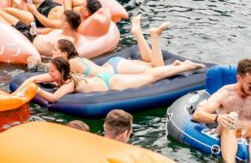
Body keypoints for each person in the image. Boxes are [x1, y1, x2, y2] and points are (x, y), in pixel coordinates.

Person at [25, 56, 204, 102]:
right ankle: (176, 66)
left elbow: (54, 98)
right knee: (147, 75)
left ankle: (185, 66)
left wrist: (35, 90)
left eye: (52, 72)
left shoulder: (70, 82)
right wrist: (33, 81)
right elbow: (42, 79)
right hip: (105, 77)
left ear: (62, 72)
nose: (50, 75)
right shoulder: (65, 77)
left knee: (148, 78)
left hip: (111, 82)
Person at [53, 17, 170, 77]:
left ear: (64, 54)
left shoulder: (71, 63)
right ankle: (138, 33)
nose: (53, 53)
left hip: (115, 70)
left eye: (55, 50)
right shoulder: (76, 59)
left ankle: (155, 36)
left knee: (158, 67)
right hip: (114, 66)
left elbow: (57, 78)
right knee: (151, 64)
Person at [192, 59, 251, 163]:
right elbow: (197, 115)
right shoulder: (225, 94)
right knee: (230, 124)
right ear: (239, 78)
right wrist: (217, 118)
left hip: (248, 134)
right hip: (228, 131)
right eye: (250, 85)